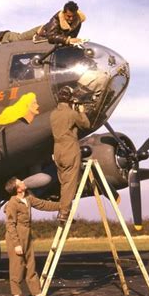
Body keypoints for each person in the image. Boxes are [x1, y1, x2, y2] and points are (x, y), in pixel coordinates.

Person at [4, 177, 60, 296]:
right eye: (20, 182)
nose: (24, 182)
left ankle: (37, 294)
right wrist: (16, 244)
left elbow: (43, 204)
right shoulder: (12, 203)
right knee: (17, 266)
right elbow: (10, 225)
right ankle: (16, 295)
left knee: (31, 265)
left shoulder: (28, 198)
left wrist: (61, 205)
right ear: (17, 189)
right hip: (15, 236)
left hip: (27, 234)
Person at [50, 86, 90, 223]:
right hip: (69, 149)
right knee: (70, 183)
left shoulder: (53, 114)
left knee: (63, 182)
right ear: (70, 99)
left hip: (57, 150)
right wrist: (81, 112)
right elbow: (86, 125)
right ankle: (64, 213)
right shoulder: (71, 114)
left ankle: (63, 209)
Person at [0, 1, 86, 46]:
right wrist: (67, 40)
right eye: (68, 16)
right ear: (64, 13)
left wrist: (72, 41)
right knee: (19, 38)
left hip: (55, 39)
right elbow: (51, 36)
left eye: (73, 16)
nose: (71, 19)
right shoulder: (56, 18)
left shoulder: (77, 21)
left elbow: (72, 36)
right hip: (41, 32)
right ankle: (5, 35)